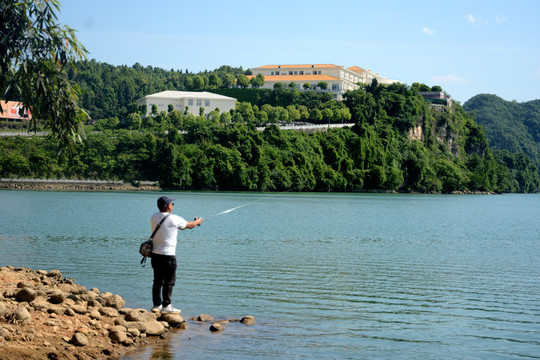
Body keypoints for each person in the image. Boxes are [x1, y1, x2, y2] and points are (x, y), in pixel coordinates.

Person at [150, 196, 203, 313]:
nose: (173, 205)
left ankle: (156, 305)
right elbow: (189, 226)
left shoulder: (153, 217)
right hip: (168, 256)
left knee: (157, 281)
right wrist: (198, 222)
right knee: (169, 281)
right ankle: (166, 306)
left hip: (155, 255)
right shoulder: (174, 218)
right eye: (172, 204)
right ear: (169, 206)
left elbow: (180, 226)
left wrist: (193, 223)